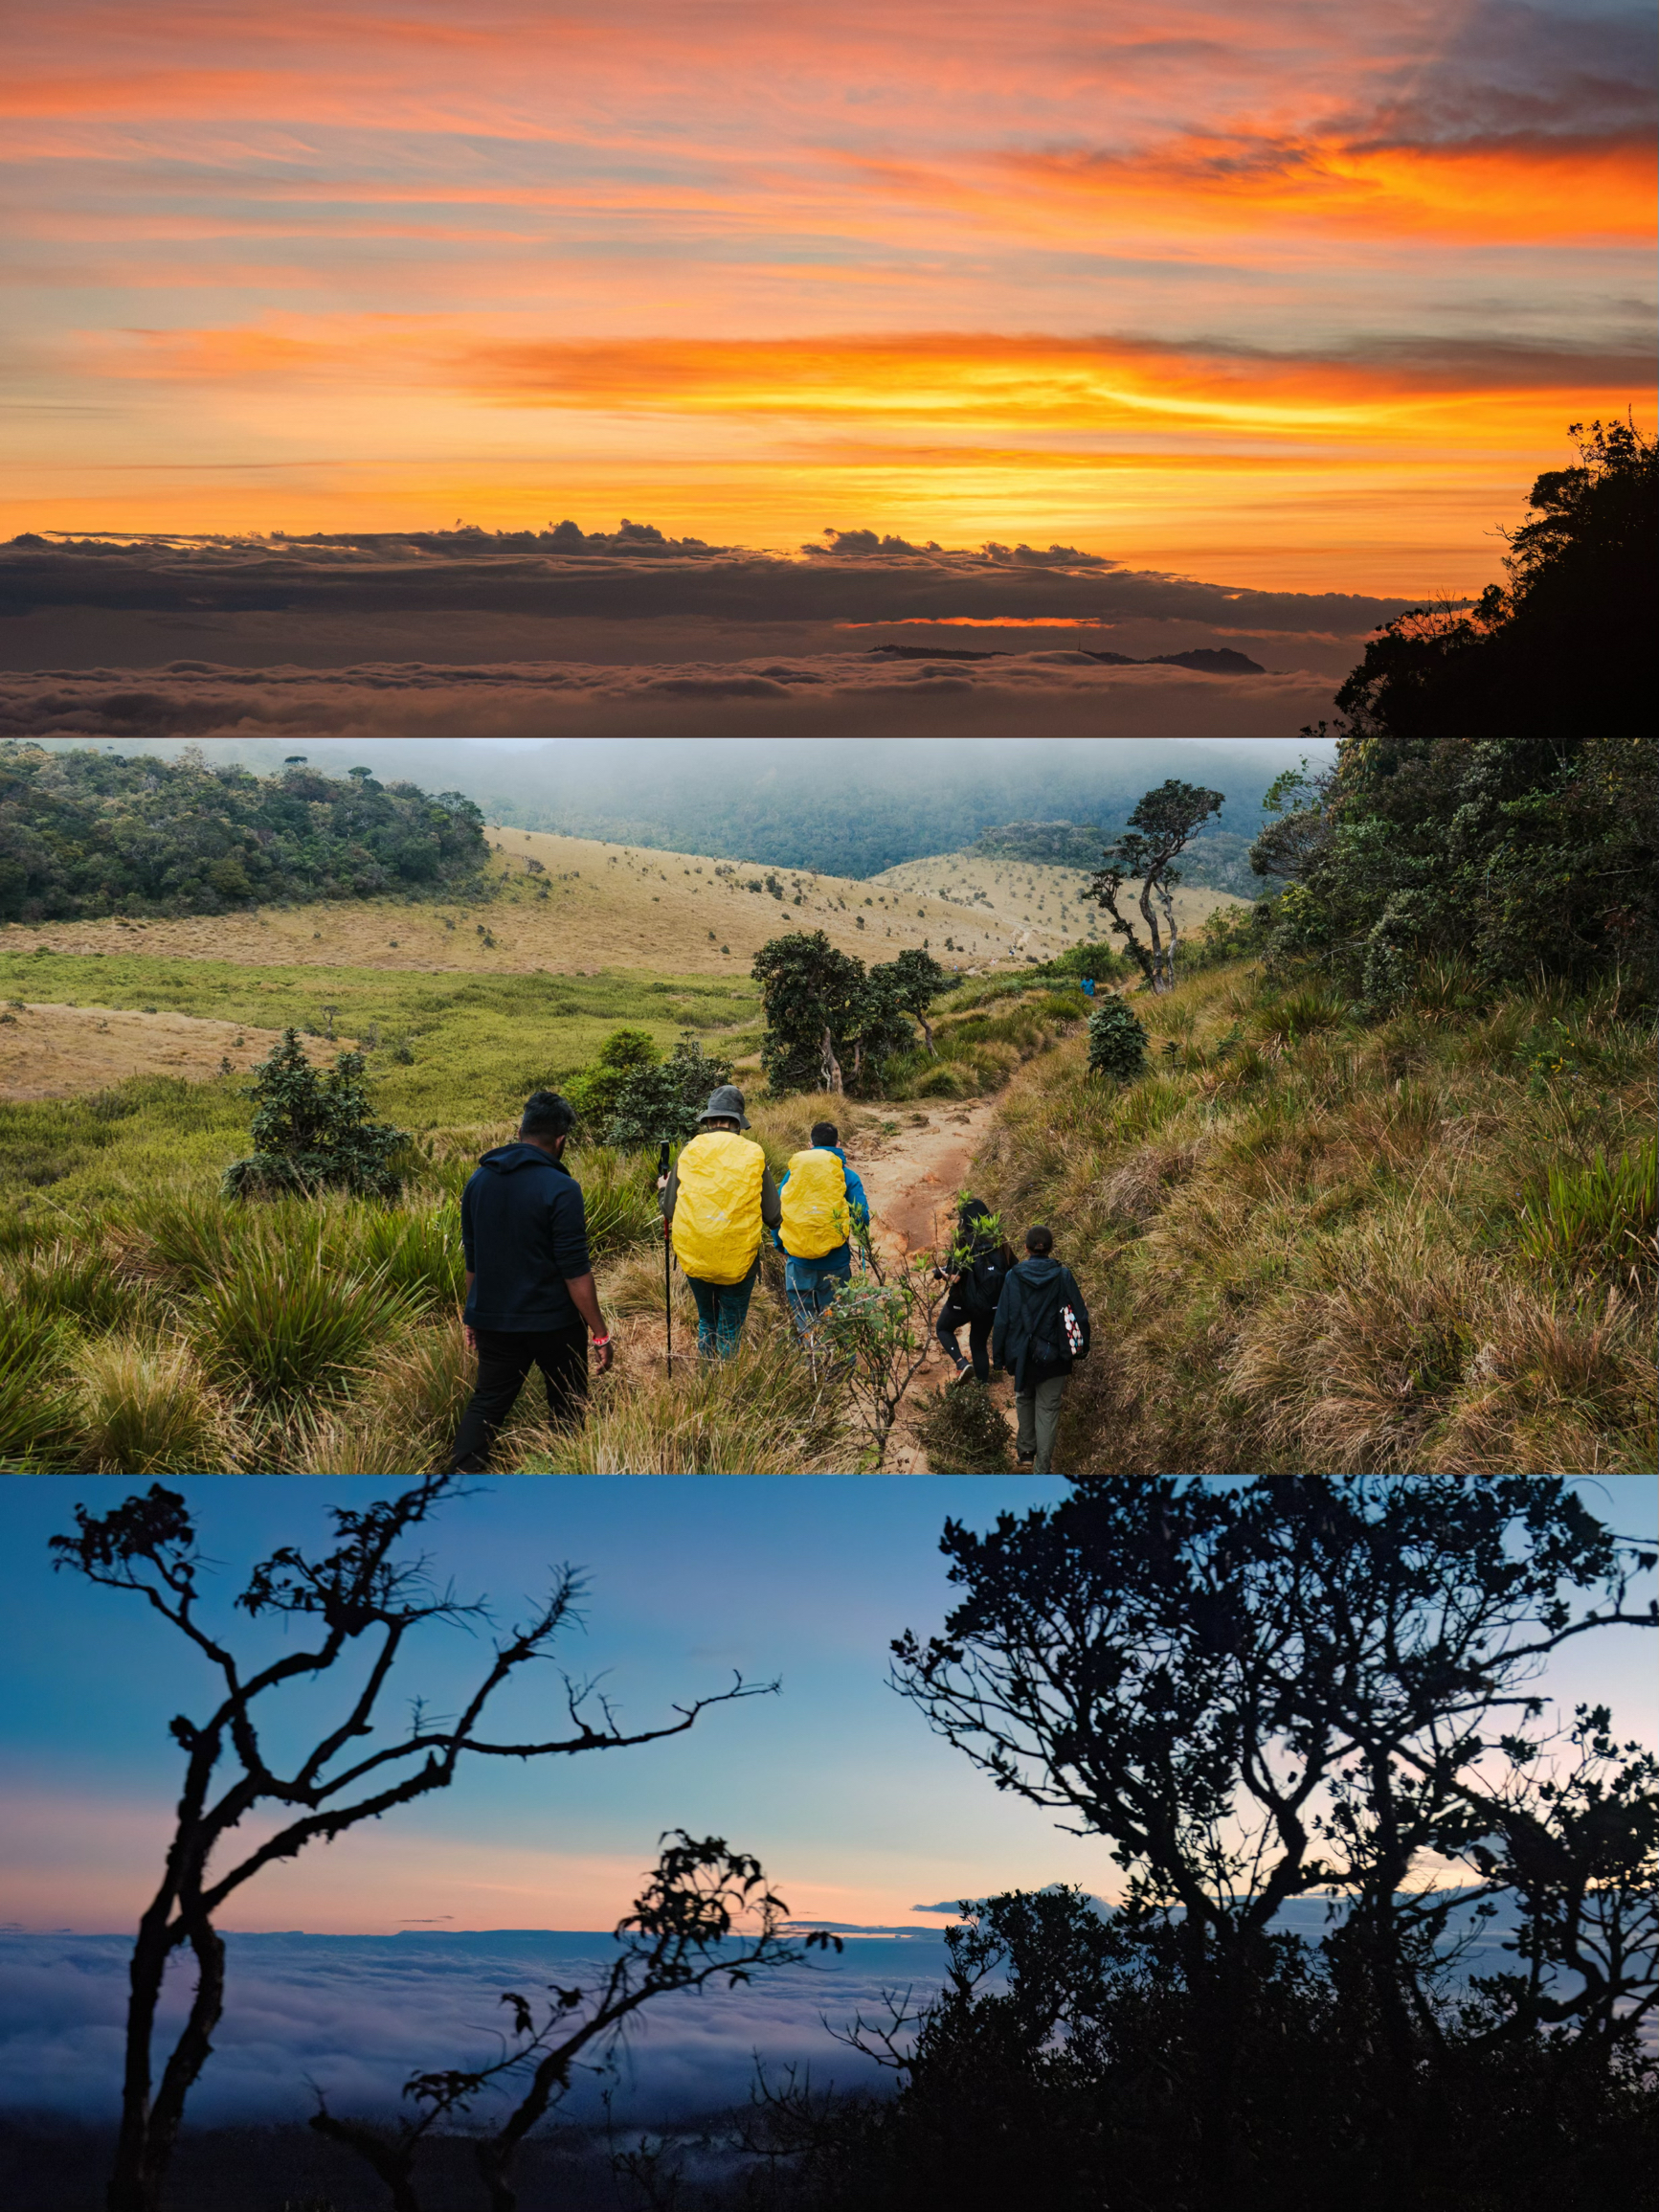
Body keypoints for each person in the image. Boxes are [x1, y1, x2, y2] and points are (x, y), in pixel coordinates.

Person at [450, 1089, 614, 1473]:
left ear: (520, 1130)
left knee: (487, 1404)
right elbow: (575, 1271)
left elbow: (473, 1260)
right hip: (553, 1323)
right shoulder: (562, 1188)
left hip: (494, 1320)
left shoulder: (477, 1182)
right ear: (561, 1140)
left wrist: (472, 1314)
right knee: (568, 1406)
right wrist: (600, 1332)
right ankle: (562, 1483)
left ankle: (459, 1481)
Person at [660, 1085, 781, 1360]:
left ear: (709, 1120)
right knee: (729, 1330)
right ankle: (724, 1390)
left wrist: (661, 1188)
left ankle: (706, 1378)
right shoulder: (754, 1153)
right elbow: (773, 1215)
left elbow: (669, 1209)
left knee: (707, 1322)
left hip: (695, 1257)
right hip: (739, 1261)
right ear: (737, 1122)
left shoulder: (689, 1151)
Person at [991, 1224, 1091, 1473]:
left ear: (1025, 1249)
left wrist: (999, 1356)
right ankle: (1042, 1468)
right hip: (1055, 1355)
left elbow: (1002, 1320)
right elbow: (1080, 1315)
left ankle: (1025, 1453)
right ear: (1051, 1248)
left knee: (1024, 1397)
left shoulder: (1013, 1276)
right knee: (1048, 1410)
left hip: (1021, 1353)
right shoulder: (1063, 1275)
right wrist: (1082, 1347)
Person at [774, 1118, 870, 1339]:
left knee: (806, 1325)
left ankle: (813, 1367)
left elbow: (778, 1212)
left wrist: (781, 1245)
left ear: (810, 1145)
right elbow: (861, 1217)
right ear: (838, 1145)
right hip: (835, 1263)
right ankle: (840, 1370)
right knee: (837, 1324)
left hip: (798, 1262)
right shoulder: (847, 1176)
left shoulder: (793, 1174)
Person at [933, 1197, 1015, 1385]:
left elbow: (955, 1278)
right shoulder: (1000, 1241)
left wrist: (941, 1273)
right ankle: (982, 1388)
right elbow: (1013, 1269)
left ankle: (961, 1363)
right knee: (978, 1345)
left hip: (963, 1303)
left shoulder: (964, 1242)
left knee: (943, 1328)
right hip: (990, 1305)